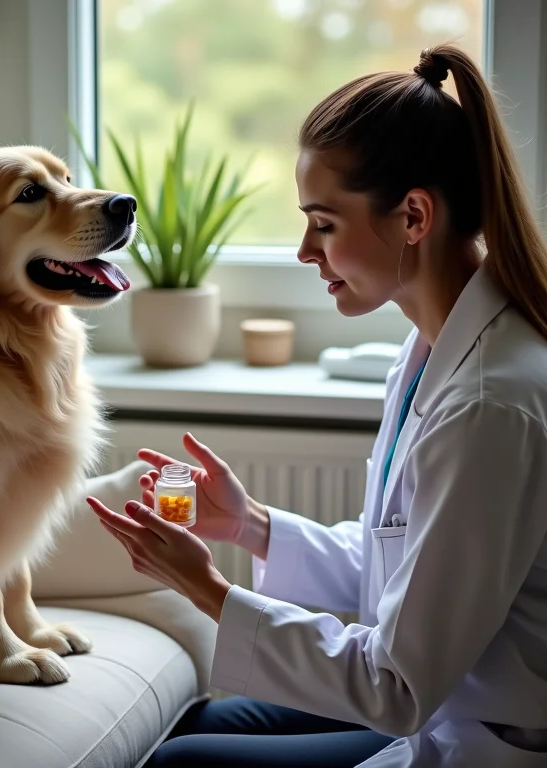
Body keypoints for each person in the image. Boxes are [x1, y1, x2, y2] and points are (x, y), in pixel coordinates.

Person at [86, 43, 547, 767]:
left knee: (186, 761)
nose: (305, 250)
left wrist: (206, 587)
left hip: (479, 739)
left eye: (324, 224)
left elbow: (395, 685)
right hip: (443, 702)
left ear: (414, 217)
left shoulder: (490, 405)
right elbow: (408, 559)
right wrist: (252, 526)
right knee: (216, 719)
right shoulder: (435, 346)